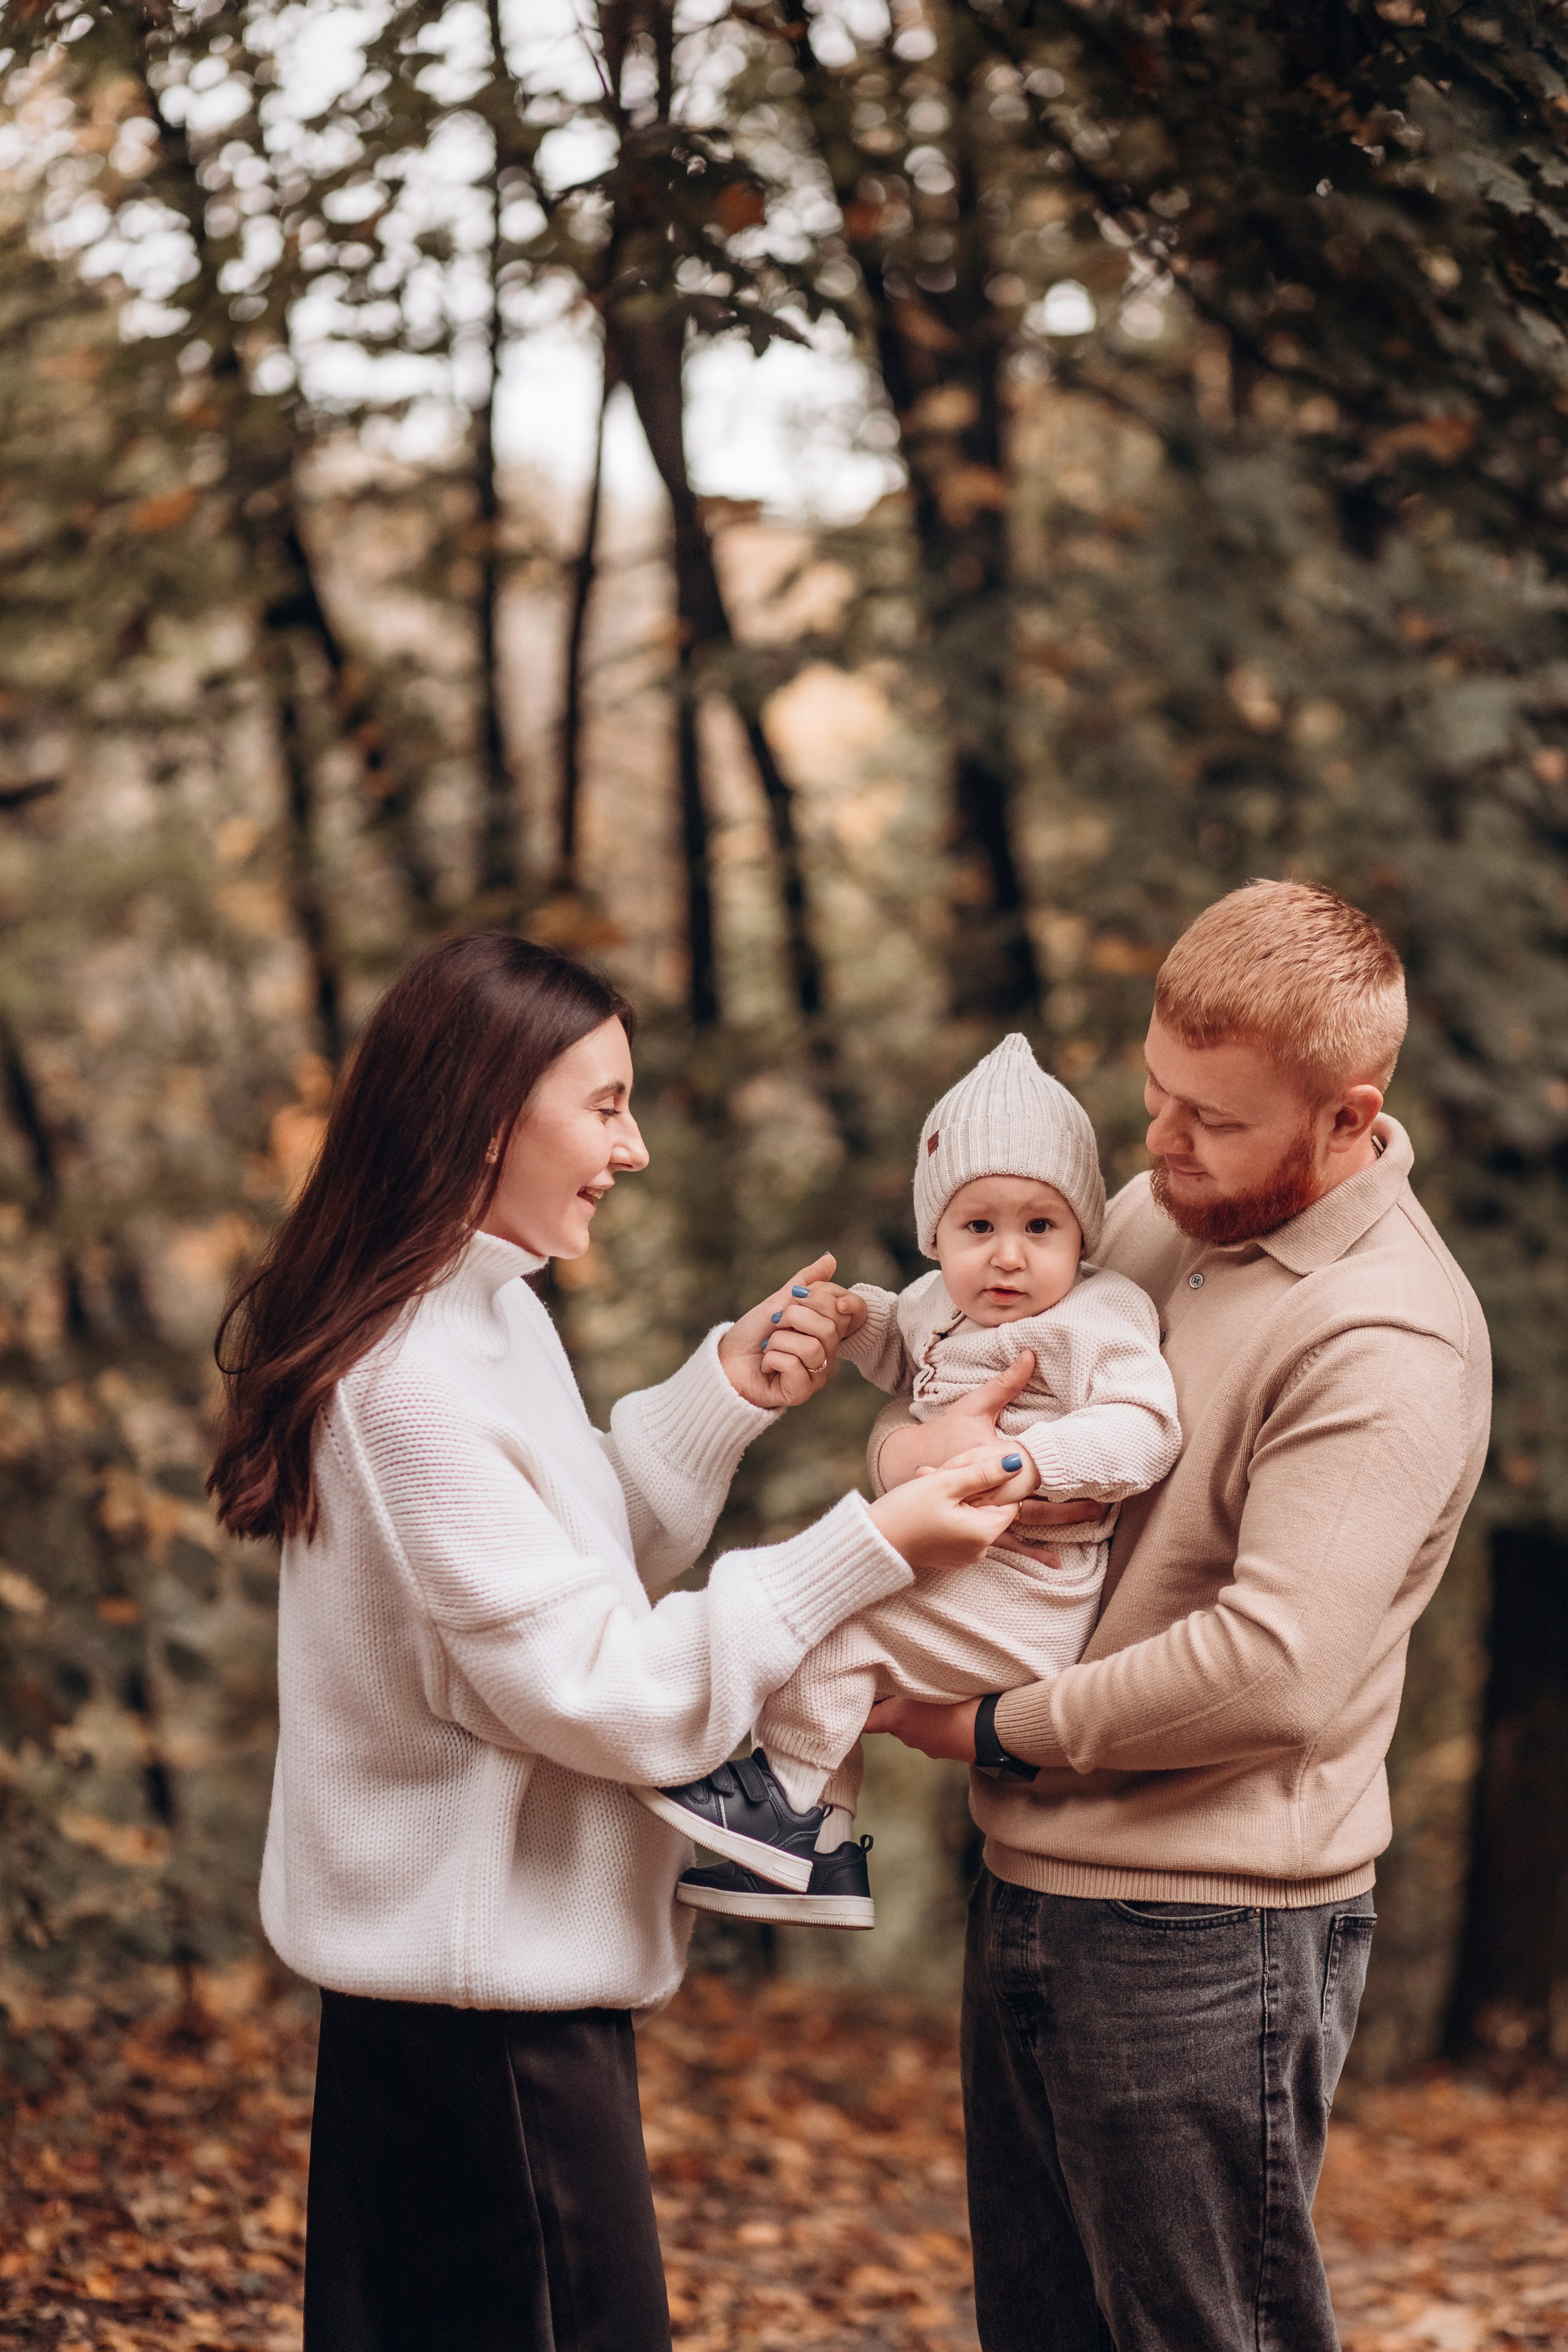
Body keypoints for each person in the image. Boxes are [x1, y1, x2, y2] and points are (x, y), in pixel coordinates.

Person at [206, 930, 1023, 2352]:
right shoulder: (405, 1383)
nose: (631, 1147)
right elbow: (612, 1694)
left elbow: (555, 1578)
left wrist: (724, 1391)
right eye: (603, 1103)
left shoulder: (477, 1313)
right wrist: (871, 1545)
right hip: (480, 2033)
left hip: (473, 2008)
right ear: (483, 1114)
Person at [873, 882, 1491, 2352]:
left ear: (1347, 1119)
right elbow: (960, 1414)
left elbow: (1270, 1672)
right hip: (1031, 1886)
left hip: (1208, 1940)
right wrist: (899, 1445)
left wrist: (990, 1731)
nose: (1155, 1145)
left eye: (1209, 1119)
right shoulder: (1153, 1220)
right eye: (1154, 1093)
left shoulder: (1381, 1335)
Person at [640, 1033, 1179, 1931]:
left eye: (1039, 1227)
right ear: (936, 1235)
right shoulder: (937, 1302)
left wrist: (1032, 1462)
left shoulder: (1101, 1315)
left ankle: (778, 1802)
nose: (1008, 1257)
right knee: (818, 1615)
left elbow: (1144, 1427)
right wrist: (850, 1317)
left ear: (1081, 1232)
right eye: (980, 1228)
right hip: (958, 1570)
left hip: (1034, 1591)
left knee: (835, 1629)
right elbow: (897, 1339)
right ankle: (819, 1853)